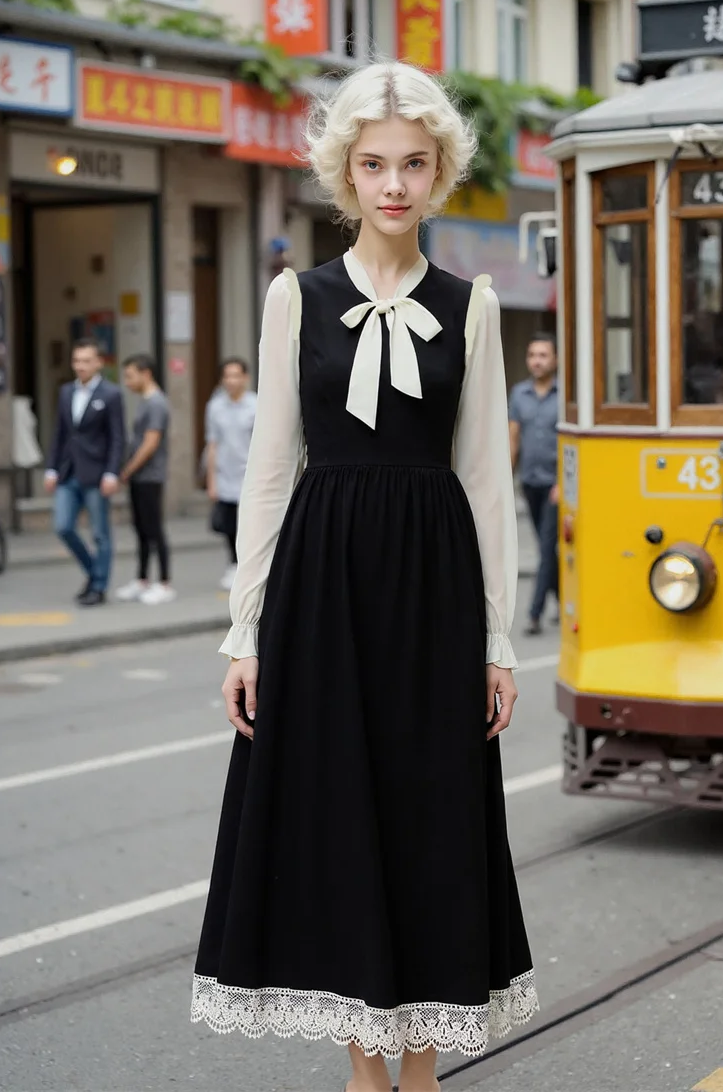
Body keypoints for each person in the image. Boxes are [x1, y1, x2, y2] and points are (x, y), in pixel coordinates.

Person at [191, 62, 537, 1092]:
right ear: (346, 171)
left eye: (414, 165)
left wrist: (495, 639)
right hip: (323, 586)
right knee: (337, 820)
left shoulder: (471, 305)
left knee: (432, 820)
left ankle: (419, 1079)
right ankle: (363, 1076)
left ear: (440, 174)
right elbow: (267, 472)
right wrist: (246, 631)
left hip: (432, 588)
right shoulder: (296, 296)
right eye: (375, 163)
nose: (394, 183)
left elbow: (482, 479)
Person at [44, 338, 125, 607]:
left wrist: (112, 473)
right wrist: (52, 468)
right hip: (68, 471)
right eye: (77, 361)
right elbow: (60, 433)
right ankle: (94, 572)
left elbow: (117, 438)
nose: (81, 366)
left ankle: (98, 587)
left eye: (86, 361)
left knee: (100, 533)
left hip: (97, 473)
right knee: (63, 526)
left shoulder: (111, 394)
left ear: (99, 362)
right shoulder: (66, 391)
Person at [508, 334, 560, 635]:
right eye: (532, 355)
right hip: (529, 481)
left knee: (545, 546)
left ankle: (534, 613)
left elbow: (570, 442)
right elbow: (513, 438)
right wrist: (508, 477)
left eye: (542, 355)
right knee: (546, 547)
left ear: (554, 359)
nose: (536, 361)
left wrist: (565, 484)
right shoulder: (519, 394)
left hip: (555, 485)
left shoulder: (564, 395)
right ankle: (566, 599)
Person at [117, 354, 175, 605]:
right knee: (141, 529)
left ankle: (164, 582)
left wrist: (127, 470)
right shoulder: (145, 402)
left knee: (154, 529)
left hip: (150, 476)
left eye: (130, 376)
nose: (127, 381)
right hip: (141, 477)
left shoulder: (156, 404)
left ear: (146, 373)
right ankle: (142, 579)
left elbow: (150, 443)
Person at [204, 358, 257, 590]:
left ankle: (248, 566)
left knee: (248, 523)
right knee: (228, 525)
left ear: (245, 378)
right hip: (225, 474)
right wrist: (211, 480)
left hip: (249, 474)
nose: (232, 381)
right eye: (227, 376)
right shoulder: (215, 407)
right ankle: (233, 563)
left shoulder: (256, 405)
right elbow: (212, 444)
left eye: (237, 376)